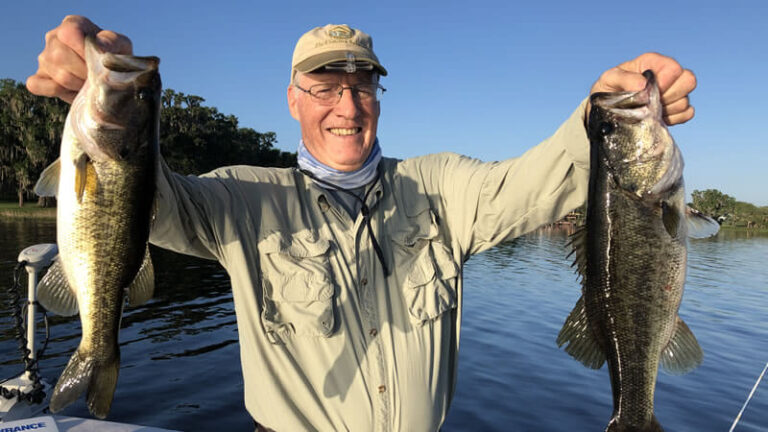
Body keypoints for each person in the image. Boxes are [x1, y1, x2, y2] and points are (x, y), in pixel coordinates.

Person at [27, 16, 696, 432]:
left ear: (377, 95)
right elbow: (146, 199)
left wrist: (601, 109)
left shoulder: (441, 187)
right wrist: (96, 78)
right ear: (293, 99)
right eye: (324, 86)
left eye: (362, 84)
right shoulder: (240, 198)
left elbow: (539, 181)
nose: (346, 105)